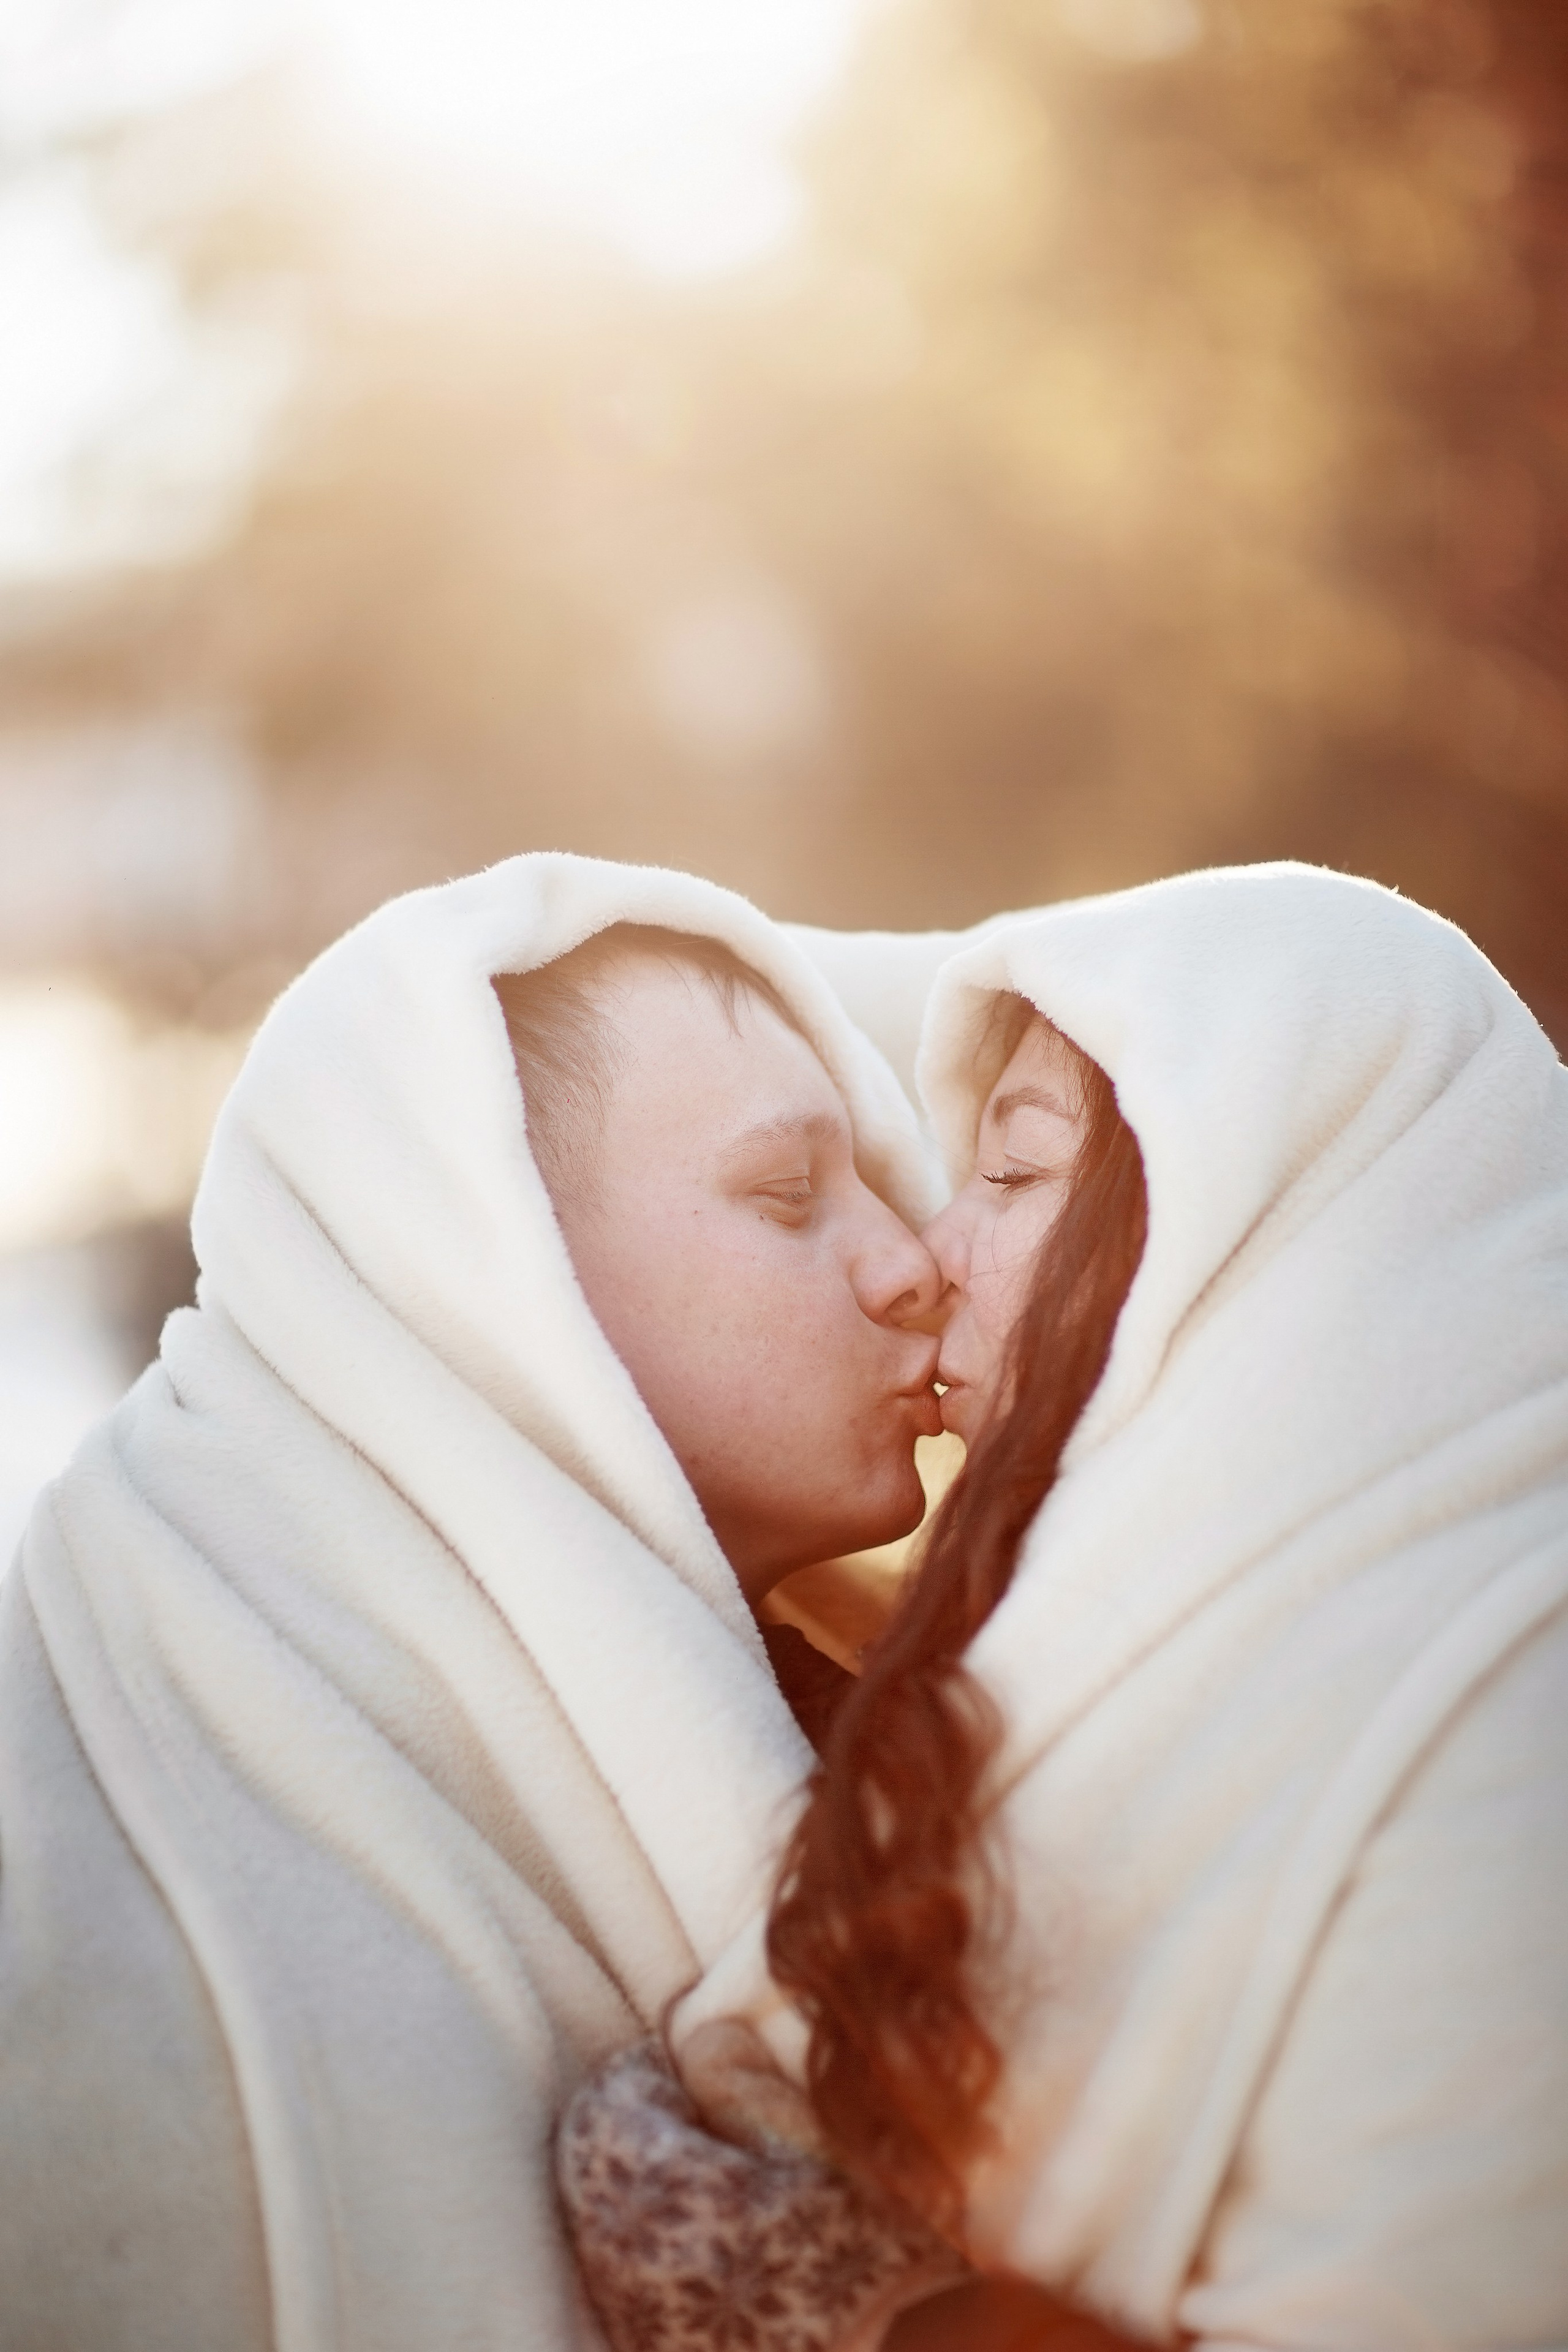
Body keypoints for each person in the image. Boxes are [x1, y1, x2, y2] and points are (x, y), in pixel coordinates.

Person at [0, 851, 954, 2352]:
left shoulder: (923, 1717)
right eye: (788, 1196)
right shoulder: (109, 1776)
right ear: (490, 1264)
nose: (912, 1267)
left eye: (890, 1186)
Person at [653, 862, 1568, 2350]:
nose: (923, 1257)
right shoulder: (1128, 1657)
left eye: (1009, 1175)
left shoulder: (1509, 1708)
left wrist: (843, 2303)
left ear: (1241, 1217)